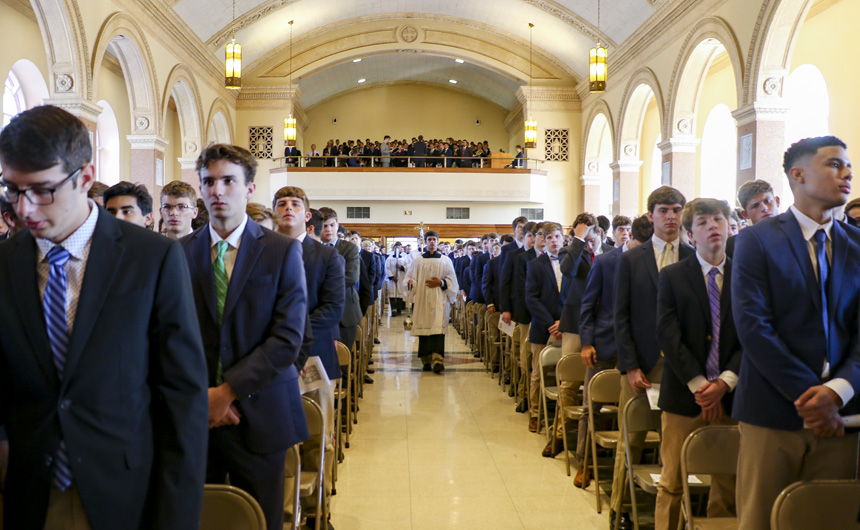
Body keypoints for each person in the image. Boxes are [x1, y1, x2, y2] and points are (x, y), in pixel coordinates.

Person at [0, 104, 208, 529]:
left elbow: (182, 398)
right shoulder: (5, 262)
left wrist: (176, 517)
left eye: (42, 190)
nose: (25, 208)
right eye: (12, 190)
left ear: (85, 178)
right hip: (29, 495)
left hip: (125, 493)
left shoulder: (152, 258)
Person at [732, 136, 860, 530]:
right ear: (798, 175)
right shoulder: (757, 239)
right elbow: (753, 326)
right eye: (834, 164)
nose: (847, 173)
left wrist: (837, 392)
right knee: (760, 520)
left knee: (827, 520)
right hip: (773, 410)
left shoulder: (856, 245)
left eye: (848, 166)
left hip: (841, 416)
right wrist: (812, 397)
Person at [180, 143, 309, 530]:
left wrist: (226, 392)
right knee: (195, 518)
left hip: (261, 411)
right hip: (194, 413)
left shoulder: (281, 251)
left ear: (249, 188)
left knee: (261, 520)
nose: (217, 190)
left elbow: (287, 337)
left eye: (228, 181)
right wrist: (202, 397)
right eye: (208, 182)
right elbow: (168, 335)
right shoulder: (178, 253)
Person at [655, 199, 741, 530]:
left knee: (728, 483)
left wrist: (724, 382)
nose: (713, 226)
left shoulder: (745, 275)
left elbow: (752, 334)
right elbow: (668, 335)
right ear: (690, 235)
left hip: (732, 395)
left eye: (718, 219)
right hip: (684, 394)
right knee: (673, 481)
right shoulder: (673, 276)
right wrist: (700, 385)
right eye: (703, 222)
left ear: (729, 226)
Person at [612, 186, 692, 528]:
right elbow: (620, 316)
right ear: (651, 215)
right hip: (643, 362)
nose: (671, 216)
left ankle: (680, 511)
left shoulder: (693, 257)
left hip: (682, 366)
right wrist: (630, 365)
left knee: (676, 444)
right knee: (631, 437)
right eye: (664, 210)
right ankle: (620, 506)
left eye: (676, 210)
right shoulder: (632, 259)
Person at [273, 186, 344, 529]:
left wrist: (291, 335)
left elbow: (332, 308)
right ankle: (285, 513)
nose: (288, 208)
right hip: (271, 360)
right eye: (281, 204)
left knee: (318, 437)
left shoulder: (327, 257)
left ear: (307, 215)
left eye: (295, 204)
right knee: (279, 438)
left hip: (314, 357)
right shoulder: (260, 251)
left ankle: (317, 512)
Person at [576, 214, 651, 489]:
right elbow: (588, 304)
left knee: (635, 409)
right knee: (592, 406)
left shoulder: (655, 261)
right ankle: (585, 461)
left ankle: (632, 468)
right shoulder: (607, 261)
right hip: (605, 343)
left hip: (638, 346)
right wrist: (587, 342)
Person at [525, 222, 566, 432]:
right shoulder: (535, 265)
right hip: (543, 326)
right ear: (544, 240)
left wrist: (564, 322)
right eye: (549, 237)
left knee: (567, 373)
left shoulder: (573, 261)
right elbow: (531, 298)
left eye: (557, 236)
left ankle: (563, 415)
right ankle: (535, 413)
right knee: (538, 373)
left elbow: (577, 296)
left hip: (567, 326)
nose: (554, 241)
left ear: (563, 238)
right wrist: (550, 323)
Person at [405, 231, 458, 373]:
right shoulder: (418, 261)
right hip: (422, 299)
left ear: (438, 241)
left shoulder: (445, 260)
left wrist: (441, 282)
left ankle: (438, 360)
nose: (432, 242)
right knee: (424, 328)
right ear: (425, 242)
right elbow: (410, 278)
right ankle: (426, 360)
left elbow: (452, 281)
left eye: (434, 239)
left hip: (439, 299)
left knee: (438, 328)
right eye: (429, 240)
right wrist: (410, 283)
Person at [727, 179, 780, 257]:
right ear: (745, 214)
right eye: (755, 206)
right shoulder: (733, 245)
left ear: (777, 201)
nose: (764, 208)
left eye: (768, 201)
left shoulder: (794, 234)